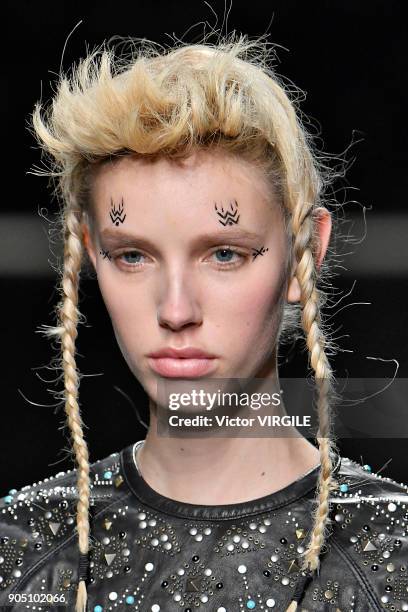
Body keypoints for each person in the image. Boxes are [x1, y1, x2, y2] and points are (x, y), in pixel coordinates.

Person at [1, 35, 407, 612]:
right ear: (92, 255)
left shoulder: (393, 560)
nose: (175, 311)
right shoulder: (19, 552)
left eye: (224, 254)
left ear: (303, 258)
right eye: (132, 255)